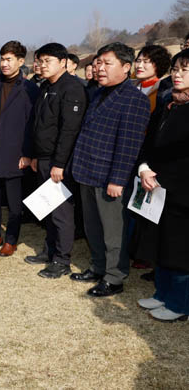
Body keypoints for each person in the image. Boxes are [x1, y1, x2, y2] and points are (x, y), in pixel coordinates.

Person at [70, 42, 150, 297]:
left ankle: (114, 277)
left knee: (113, 232)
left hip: (110, 179)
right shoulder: (98, 93)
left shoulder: (133, 100)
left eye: (107, 63)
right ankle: (98, 267)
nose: (99, 68)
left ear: (126, 67)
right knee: (93, 227)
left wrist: (117, 180)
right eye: (98, 63)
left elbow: (129, 145)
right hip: (87, 172)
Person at [134, 49, 189, 321]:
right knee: (160, 244)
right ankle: (162, 295)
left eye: (185, 69)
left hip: (183, 193)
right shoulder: (168, 101)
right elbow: (149, 141)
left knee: (179, 249)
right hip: (157, 188)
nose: (178, 74)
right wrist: (143, 168)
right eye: (177, 68)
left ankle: (179, 305)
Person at [25, 43, 87, 278]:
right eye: (40, 61)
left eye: (47, 61)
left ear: (63, 62)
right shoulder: (45, 87)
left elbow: (69, 131)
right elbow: (38, 124)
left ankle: (62, 259)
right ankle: (49, 250)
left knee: (61, 213)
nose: (42, 65)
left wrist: (59, 164)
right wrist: (33, 155)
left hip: (59, 162)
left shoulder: (71, 88)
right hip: (42, 158)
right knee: (47, 208)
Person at [0, 41, 40, 256]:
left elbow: (32, 125)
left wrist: (28, 153)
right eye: (2, 59)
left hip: (14, 153)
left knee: (14, 203)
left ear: (21, 62)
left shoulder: (29, 88)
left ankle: (11, 239)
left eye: (9, 59)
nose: (4, 63)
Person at [133, 45, 171, 113]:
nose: (139, 66)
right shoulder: (129, 85)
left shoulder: (164, 91)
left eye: (145, 62)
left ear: (158, 64)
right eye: (138, 61)